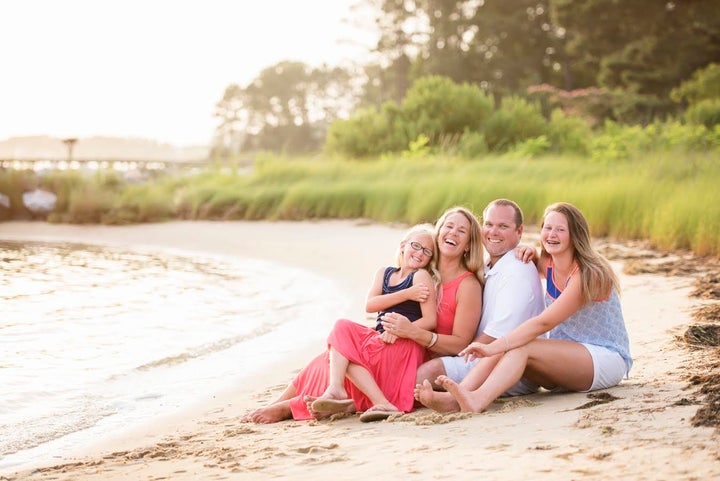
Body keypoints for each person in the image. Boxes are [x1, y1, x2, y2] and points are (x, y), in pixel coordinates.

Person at [241, 206, 484, 423]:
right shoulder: (427, 276)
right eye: (448, 227)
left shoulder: (464, 285)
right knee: (329, 357)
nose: (452, 233)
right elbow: (375, 304)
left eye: (461, 231)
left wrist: (410, 332)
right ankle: (278, 402)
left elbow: (459, 343)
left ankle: (289, 408)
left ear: (469, 244)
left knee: (345, 353)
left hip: (412, 353)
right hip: (395, 341)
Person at [415, 202, 633, 413]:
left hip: (603, 358)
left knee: (518, 344)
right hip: (565, 358)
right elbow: (531, 257)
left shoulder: (589, 274)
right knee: (511, 343)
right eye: (547, 228)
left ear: (575, 234)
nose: (552, 234)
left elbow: (544, 322)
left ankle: (475, 400)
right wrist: (528, 250)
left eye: (560, 229)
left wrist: (494, 346)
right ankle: (458, 396)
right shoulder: (548, 264)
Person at [414, 198, 544, 398]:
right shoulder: (488, 267)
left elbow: (496, 335)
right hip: (483, 353)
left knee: (427, 371)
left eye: (503, 226)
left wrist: (453, 349)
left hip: (506, 365)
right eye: (489, 224)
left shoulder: (516, 270)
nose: (493, 232)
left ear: (519, 232)